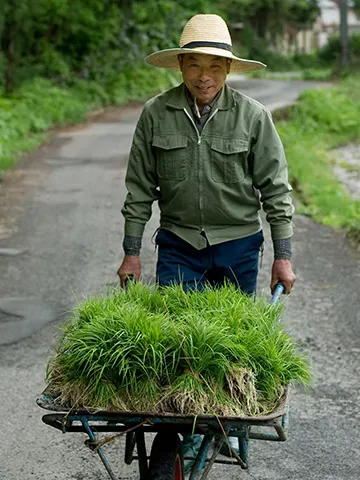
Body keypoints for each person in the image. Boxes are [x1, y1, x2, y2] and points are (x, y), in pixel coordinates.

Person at [117, 13, 296, 464]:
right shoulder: (156, 114)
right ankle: (180, 421)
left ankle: (231, 421)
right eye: (195, 64)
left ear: (230, 69)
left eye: (215, 66)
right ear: (181, 65)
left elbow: (276, 190)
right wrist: (131, 253)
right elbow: (139, 189)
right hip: (179, 243)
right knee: (178, 339)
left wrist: (283, 256)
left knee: (232, 342)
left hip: (239, 245)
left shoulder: (253, 117)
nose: (205, 76)